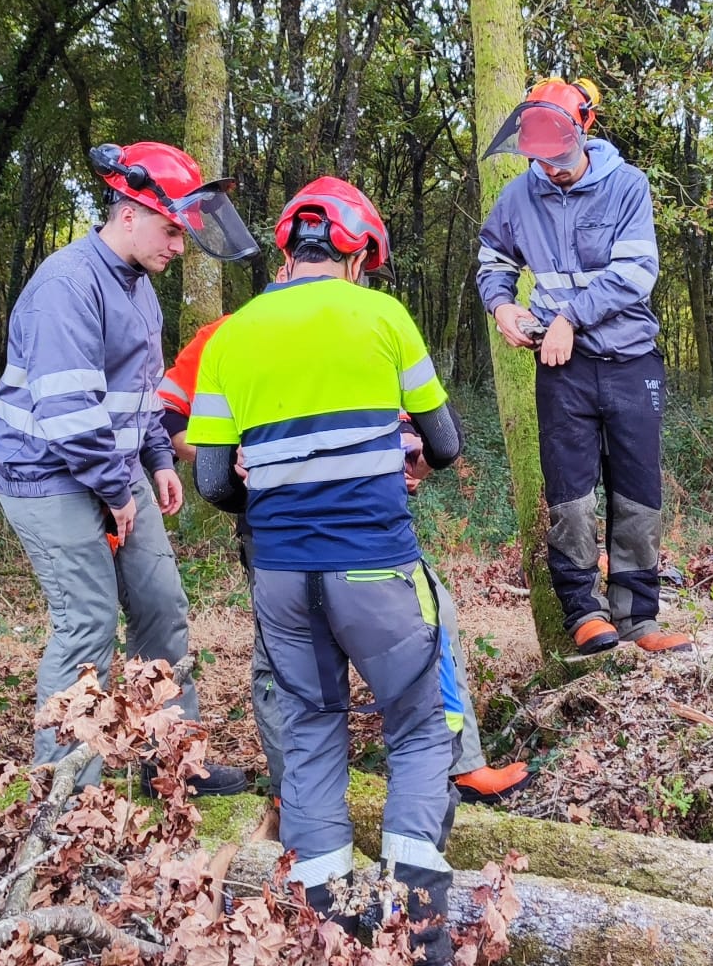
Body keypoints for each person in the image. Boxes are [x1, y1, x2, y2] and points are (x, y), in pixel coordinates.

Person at [189, 176, 464, 966]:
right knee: (419, 728)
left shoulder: (232, 333)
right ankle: (418, 935)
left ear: (290, 249)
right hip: (375, 567)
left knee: (309, 737)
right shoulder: (381, 316)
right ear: (355, 255)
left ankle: (330, 936)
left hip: (279, 576)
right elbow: (444, 445)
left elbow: (213, 486)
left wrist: (277, 489)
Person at [160, 323, 530, 805]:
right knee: (282, 657)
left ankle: (459, 766)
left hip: (366, 526)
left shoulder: (366, 323)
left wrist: (408, 454)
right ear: (289, 258)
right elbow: (167, 417)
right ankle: (290, 788)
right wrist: (226, 454)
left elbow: (425, 425)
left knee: (432, 616)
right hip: (277, 529)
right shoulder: (234, 334)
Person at [0, 141, 258, 794]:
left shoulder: (140, 290)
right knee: (87, 618)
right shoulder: (67, 285)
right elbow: (69, 412)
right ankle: (62, 796)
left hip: (112, 461)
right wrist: (115, 490)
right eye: (171, 231)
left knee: (161, 607)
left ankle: (172, 764)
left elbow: (140, 391)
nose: (178, 246)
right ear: (129, 213)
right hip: (47, 470)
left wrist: (159, 458)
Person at [475, 77, 692, 656]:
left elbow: (635, 274)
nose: (552, 170)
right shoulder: (520, 196)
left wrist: (570, 316)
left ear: (584, 131)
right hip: (561, 365)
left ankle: (638, 616)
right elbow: (491, 258)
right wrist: (502, 306)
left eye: (560, 158)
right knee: (570, 493)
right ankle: (583, 611)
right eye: (540, 161)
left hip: (630, 359)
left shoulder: (627, 186)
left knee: (637, 491)